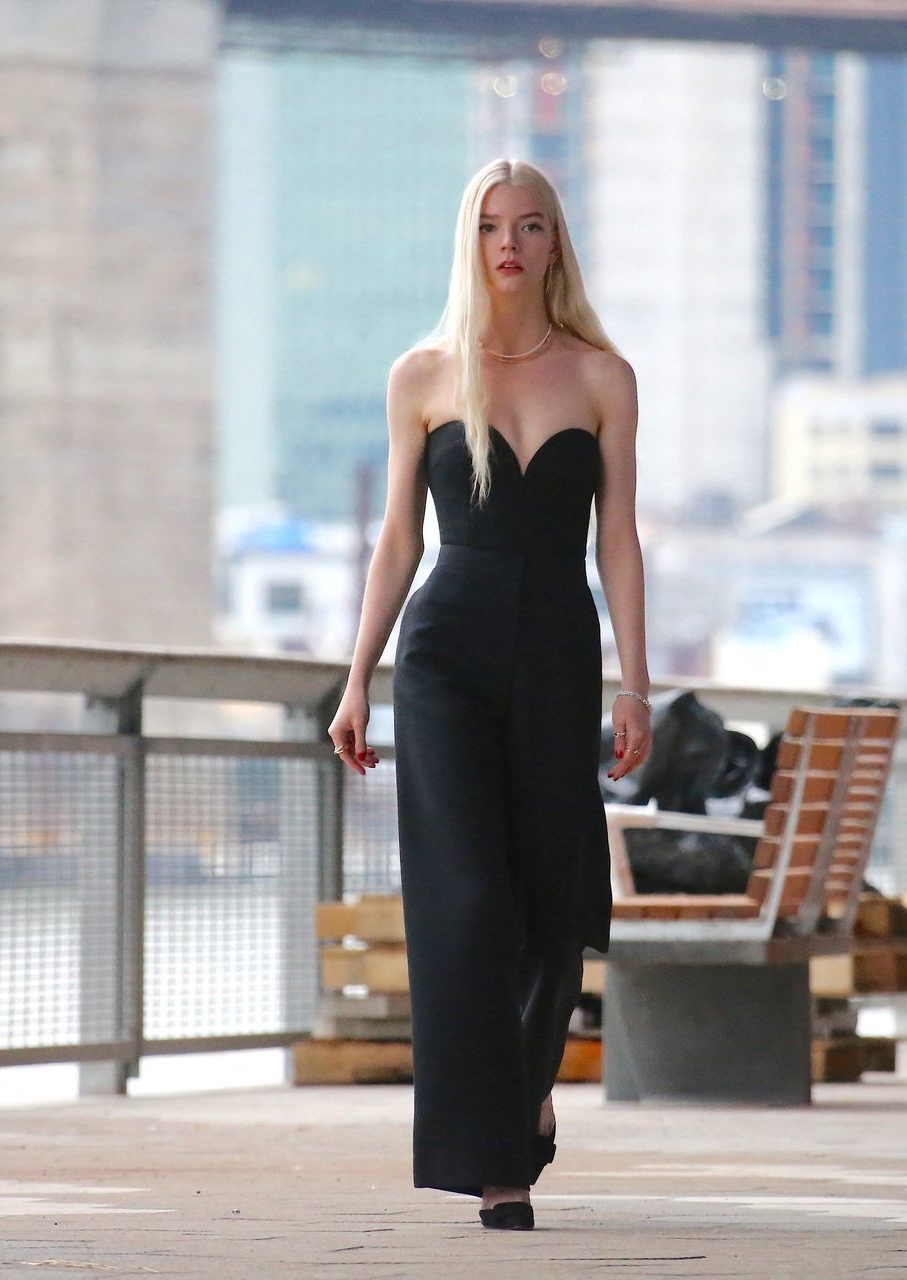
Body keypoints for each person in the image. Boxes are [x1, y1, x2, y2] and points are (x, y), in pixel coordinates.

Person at [326, 158, 651, 1231]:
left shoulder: (603, 376)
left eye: (531, 226)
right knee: (465, 902)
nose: (509, 244)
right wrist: (356, 679)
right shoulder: (421, 374)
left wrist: (637, 686)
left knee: (554, 904)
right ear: (468, 243)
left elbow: (618, 540)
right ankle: (497, 1160)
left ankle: (528, 1087)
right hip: (445, 657)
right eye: (490, 226)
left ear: (556, 244)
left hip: (558, 651)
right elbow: (396, 543)